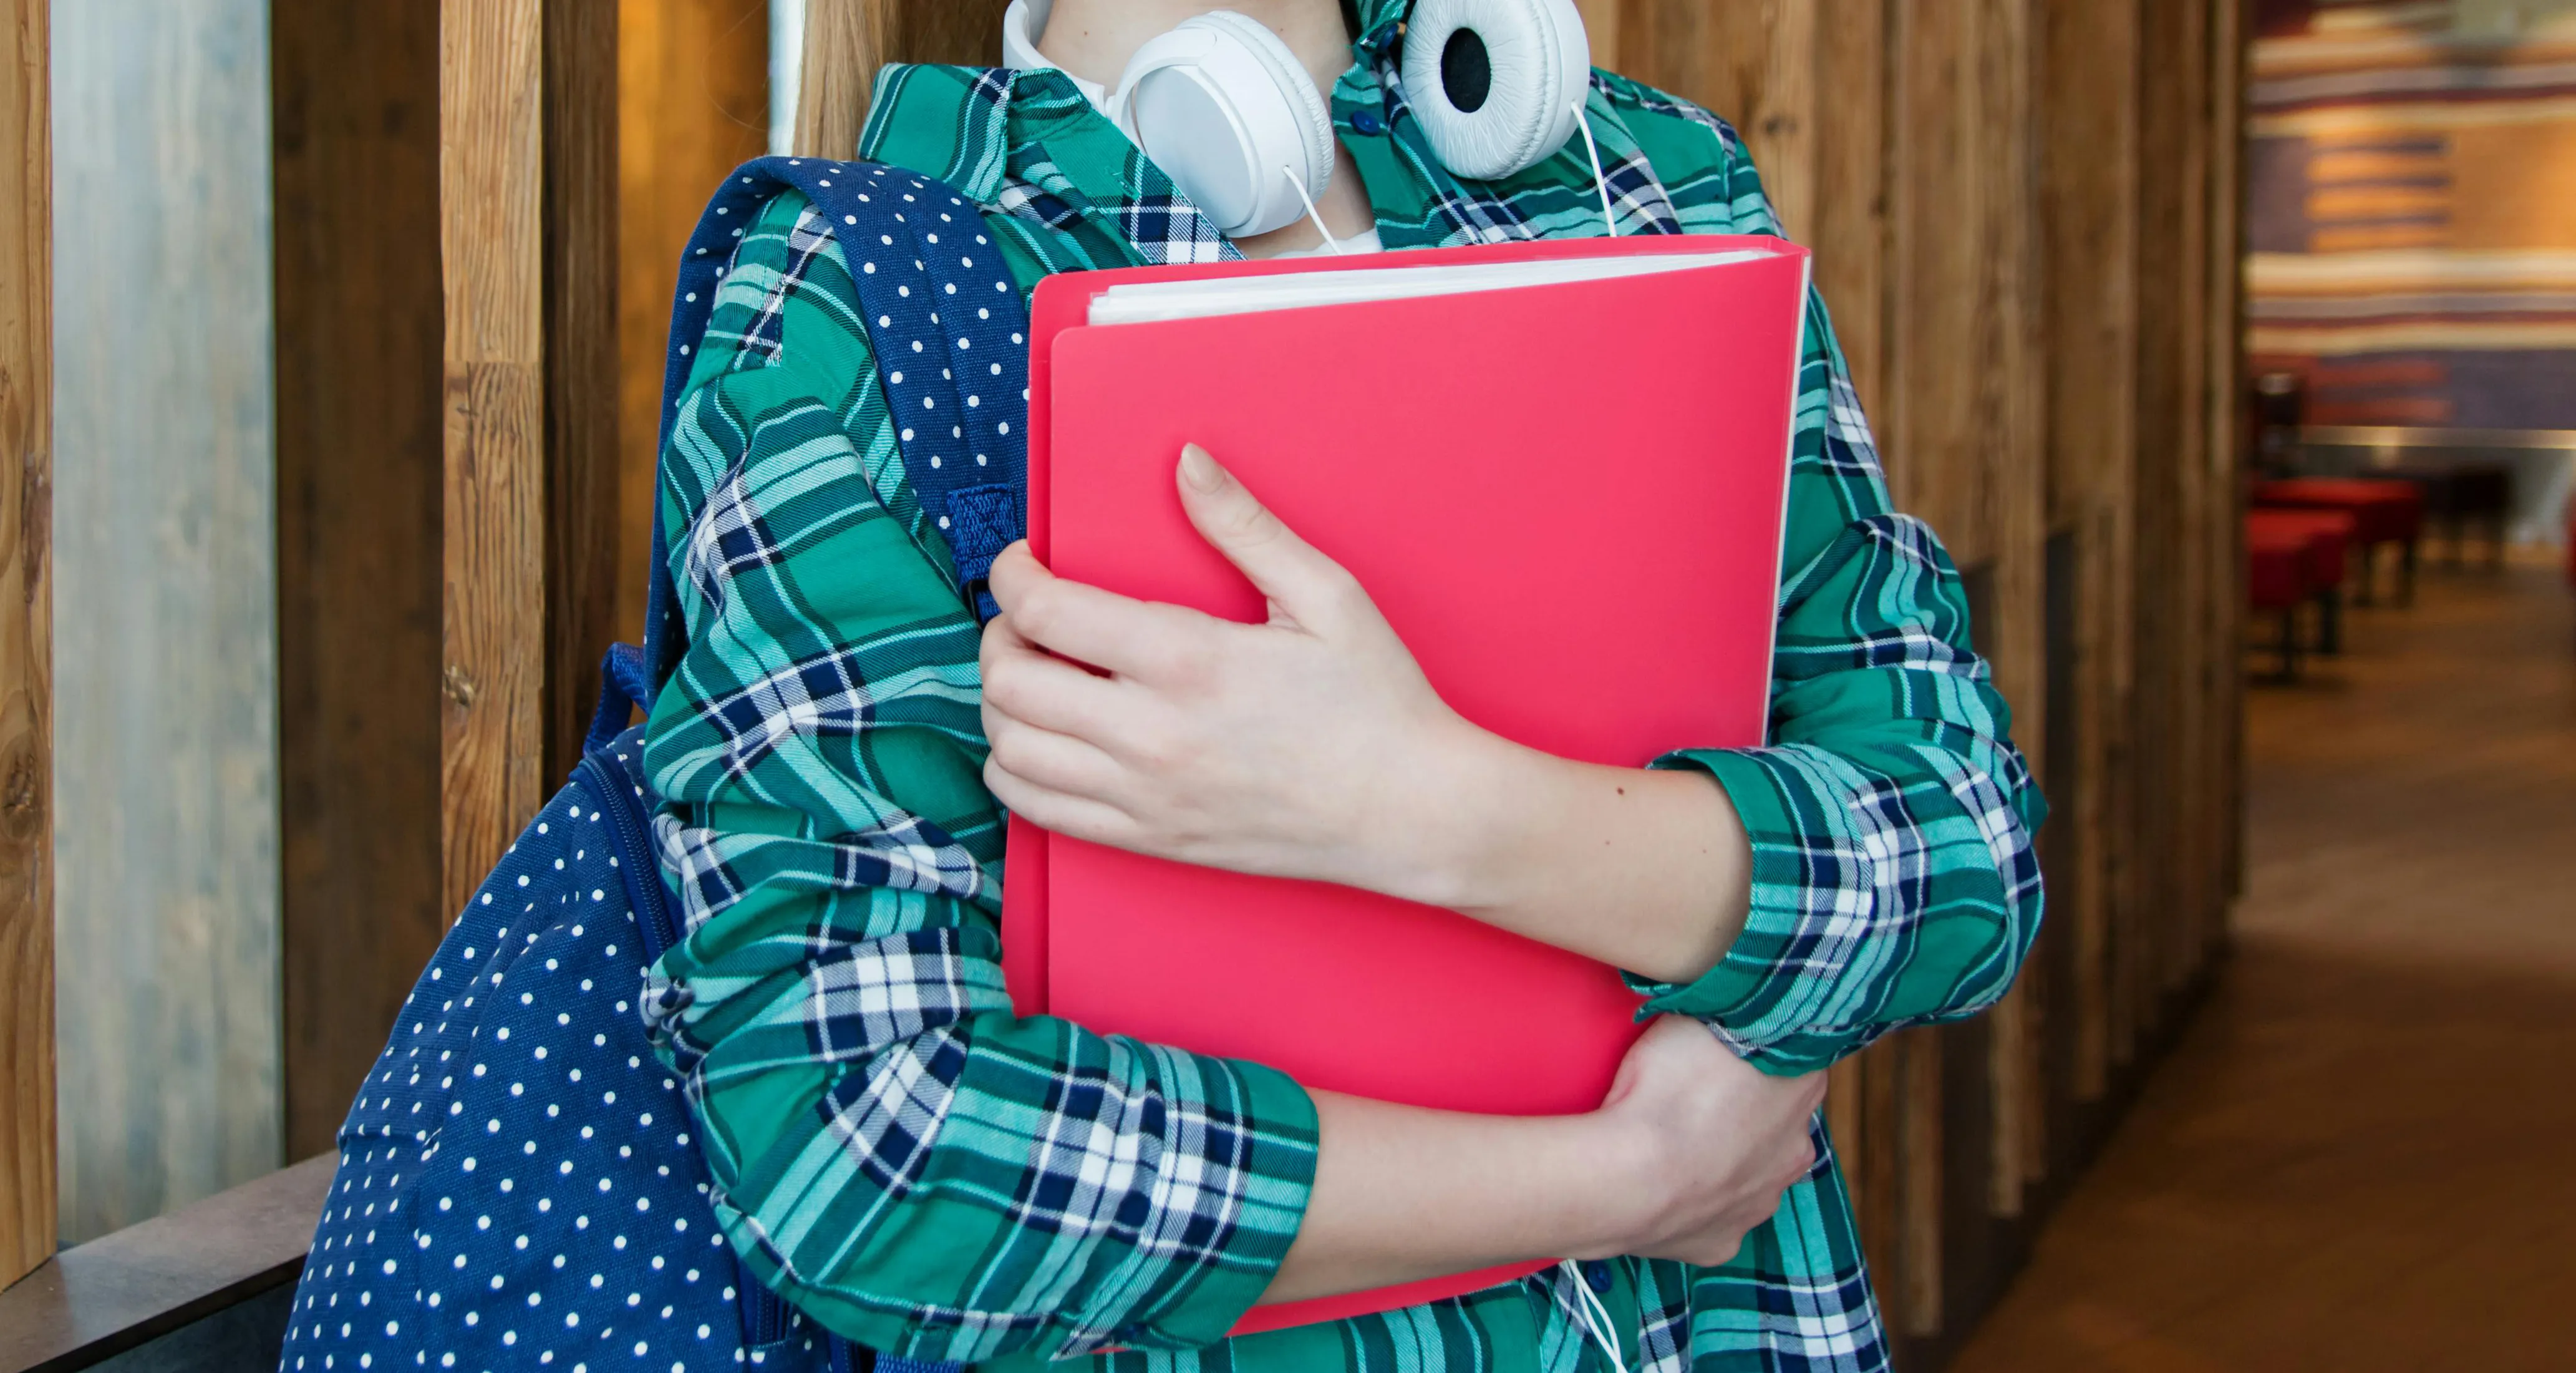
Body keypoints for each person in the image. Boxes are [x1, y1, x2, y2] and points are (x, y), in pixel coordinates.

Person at [640, 2, 2044, 1371]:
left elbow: (1964, 841)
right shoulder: (856, 294)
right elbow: (863, 1138)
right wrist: (1628, 1179)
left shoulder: (1642, 178)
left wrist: (1426, 808)